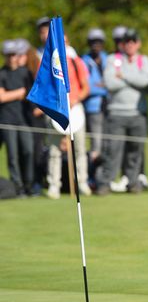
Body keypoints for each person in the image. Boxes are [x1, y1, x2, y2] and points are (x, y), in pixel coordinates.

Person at [96, 29, 148, 195]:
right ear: (122, 44)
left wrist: (123, 76)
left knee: (135, 152)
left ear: (138, 43)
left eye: (133, 41)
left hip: (138, 114)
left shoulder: (144, 60)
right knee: (112, 150)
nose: (129, 44)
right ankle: (106, 182)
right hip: (116, 113)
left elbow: (146, 82)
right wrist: (132, 78)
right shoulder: (114, 59)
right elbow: (109, 82)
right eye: (126, 41)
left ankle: (133, 182)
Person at [46, 41, 91, 199]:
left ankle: (82, 182)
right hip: (56, 110)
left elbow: (86, 87)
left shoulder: (75, 60)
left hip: (75, 110)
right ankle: (54, 185)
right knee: (54, 150)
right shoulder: (49, 61)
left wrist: (75, 99)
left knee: (79, 148)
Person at [0, 40, 34, 197]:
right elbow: (1, 97)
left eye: (13, 55)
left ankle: (29, 185)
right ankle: (17, 187)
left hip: (23, 119)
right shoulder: (2, 74)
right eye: (8, 55)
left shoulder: (25, 73)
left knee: (28, 151)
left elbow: (32, 92)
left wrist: (11, 94)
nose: (11, 58)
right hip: (7, 120)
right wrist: (20, 92)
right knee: (12, 155)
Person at [81, 28, 109, 161]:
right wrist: (105, 86)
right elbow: (88, 87)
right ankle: (95, 175)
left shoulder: (107, 59)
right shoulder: (84, 61)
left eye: (98, 42)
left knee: (108, 143)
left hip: (109, 106)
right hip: (93, 108)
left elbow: (113, 82)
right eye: (93, 42)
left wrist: (105, 85)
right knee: (96, 143)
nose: (96, 45)